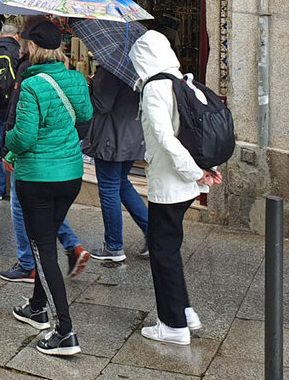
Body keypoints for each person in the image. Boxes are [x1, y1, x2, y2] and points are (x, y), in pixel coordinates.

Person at [5, 20, 92, 357]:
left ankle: (65, 331)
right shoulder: (76, 78)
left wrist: (7, 144)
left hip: (38, 177)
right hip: (70, 173)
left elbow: (23, 137)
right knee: (46, 241)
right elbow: (85, 114)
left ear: (34, 48)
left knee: (43, 250)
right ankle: (37, 307)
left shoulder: (31, 85)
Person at [129, 30, 218, 346]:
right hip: (183, 183)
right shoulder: (180, 81)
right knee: (169, 248)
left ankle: (172, 325)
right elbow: (197, 131)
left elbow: (167, 139)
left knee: (162, 251)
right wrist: (202, 172)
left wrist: (195, 173)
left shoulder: (155, 88)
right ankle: (184, 311)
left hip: (169, 182)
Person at [86, 64, 149, 261]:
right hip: (132, 134)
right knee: (121, 183)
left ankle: (114, 246)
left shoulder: (111, 69)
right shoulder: (140, 65)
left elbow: (102, 104)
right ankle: (154, 234)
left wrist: (91, 85)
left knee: (109, 188)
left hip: (112, 137)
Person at [0, 24, 21, 200]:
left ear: (1, 34)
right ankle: (16, 190)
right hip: (13, 105)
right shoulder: (19, 51)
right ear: (16, 36)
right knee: (17, 142)